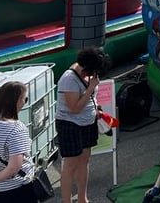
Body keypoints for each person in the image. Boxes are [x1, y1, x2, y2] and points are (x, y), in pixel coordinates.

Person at [56, 45, 110, 203]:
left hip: (88, 122)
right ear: (86, 67)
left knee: (85, 159)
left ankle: (82, 197)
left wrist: (96, 109)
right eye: (93, 71)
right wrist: (90, 89)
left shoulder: (91, 74)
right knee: (70, 164)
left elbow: (92, 97)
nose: (95, 75)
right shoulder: (69, 79)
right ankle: (67, 200)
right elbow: (74, 108)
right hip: (70, 124)